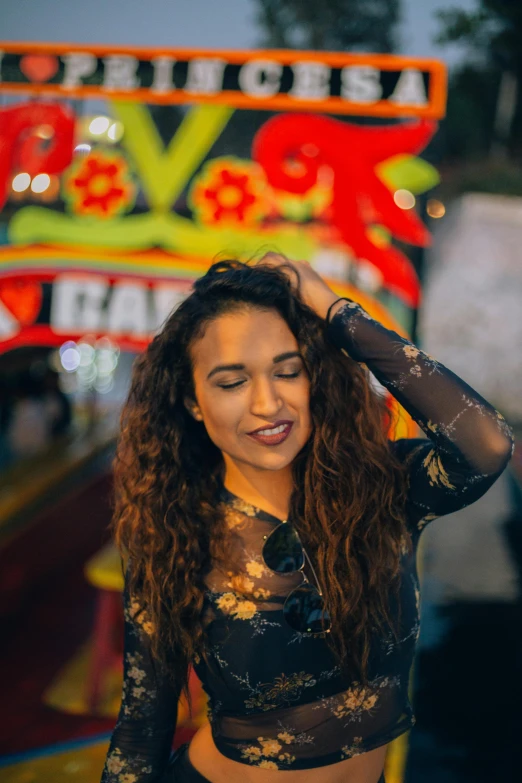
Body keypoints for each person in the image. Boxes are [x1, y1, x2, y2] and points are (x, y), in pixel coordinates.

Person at [99, 255, 514, 783]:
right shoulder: (175, 534)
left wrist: (334, 310)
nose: (269, 403)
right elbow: (140, 730)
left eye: (287, 371)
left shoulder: (383, 491)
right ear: (193, 402)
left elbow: (485, 444)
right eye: (231, 382)